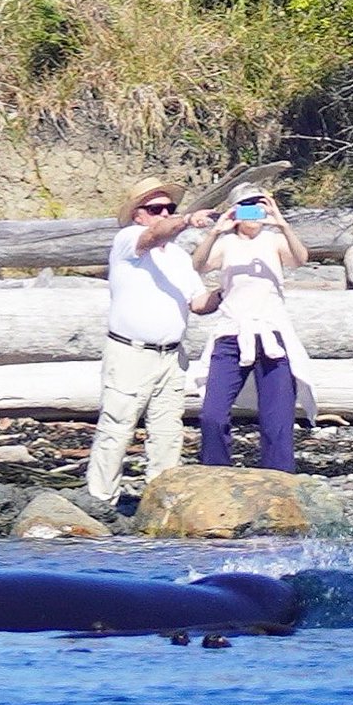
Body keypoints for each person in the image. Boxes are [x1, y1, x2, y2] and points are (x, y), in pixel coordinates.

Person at [85, 176, 219, 504]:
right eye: (155, 208)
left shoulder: (176, 258)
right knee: (117, 426)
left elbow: (198, 303)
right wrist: (187, 220)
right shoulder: (129, 240)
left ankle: (161, 501)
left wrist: (227, 290)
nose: (164, 214)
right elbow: (155, 234)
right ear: (138, 214)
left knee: (167, 433)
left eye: (169, 208)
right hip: (130, 352)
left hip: (172, 357)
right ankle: (100, 499)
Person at [190, 181, 317, 471]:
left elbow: (300, 259)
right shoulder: (225, 243)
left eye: (259, 205)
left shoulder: (273, 239)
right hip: (232, 334)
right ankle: (216, 473)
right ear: (236, 210)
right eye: (247, 206)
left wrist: (282, 224)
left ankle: (279, 480)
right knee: (213, 414)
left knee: (277, 420)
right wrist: (214, 232)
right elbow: (198, 265)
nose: (254, 213)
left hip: (271, 333)